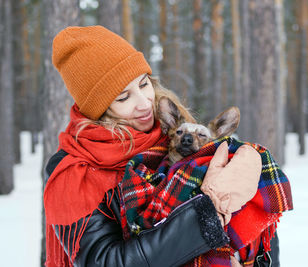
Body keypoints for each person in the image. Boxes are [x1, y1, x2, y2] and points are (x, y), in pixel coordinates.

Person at [44, 25, 286, 267]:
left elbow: (261, 232)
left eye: (143, 84)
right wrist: (205, 216)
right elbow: (106, 262)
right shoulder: (73, 173)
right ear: (98, 110)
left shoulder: (178, 136)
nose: (144, 103)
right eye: (123, 97)